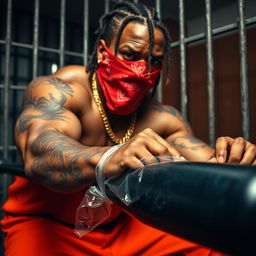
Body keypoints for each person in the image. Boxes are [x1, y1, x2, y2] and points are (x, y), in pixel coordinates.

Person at [1, 1, 256, 255]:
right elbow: (40, 152)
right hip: (48, 225)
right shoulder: (62, 90)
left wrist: (231, 164)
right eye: (130, 55)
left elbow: (206, 162)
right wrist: (110, 156)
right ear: (102, 52)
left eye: (154, 62)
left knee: (217, 245)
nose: (142, 71)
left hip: (124, 225)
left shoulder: (164, 119)